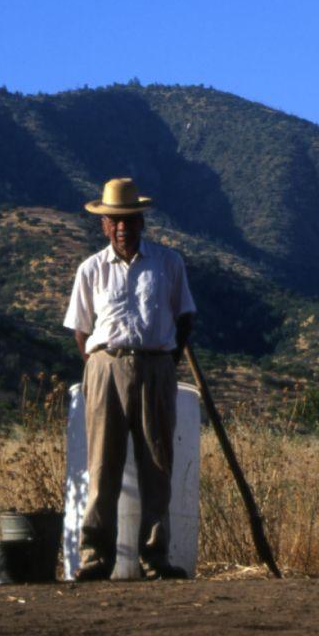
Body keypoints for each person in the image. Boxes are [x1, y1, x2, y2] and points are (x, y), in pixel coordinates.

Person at [63, 177, 196, 581]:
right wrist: (97, 365)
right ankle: (95, 557)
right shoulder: (90, 269)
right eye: (114, 221)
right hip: (104, 366)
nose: (122, 227)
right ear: (104, 225)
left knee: (157, 463)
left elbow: (185, 315)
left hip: (156, 366)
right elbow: (81, 330)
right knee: (102, 464)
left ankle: (155, 558)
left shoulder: (168, 263)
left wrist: (167, 360)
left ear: (142, 221)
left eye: (129, 219)